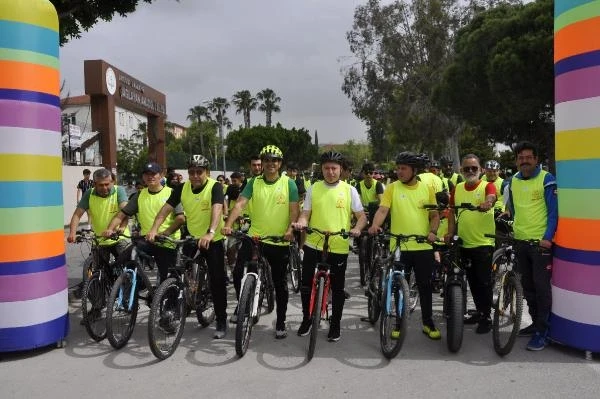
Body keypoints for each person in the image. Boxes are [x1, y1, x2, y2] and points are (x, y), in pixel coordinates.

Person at [147, 155, 228, 339]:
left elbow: (217, 209)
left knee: (217, 281)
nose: (195, 176)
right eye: (191, 172)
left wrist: (211, 231)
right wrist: (154, 229)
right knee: (176, 272)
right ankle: (174, 311)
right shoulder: (182, 188)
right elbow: (165, 209)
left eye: (199, 172)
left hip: (212, 240)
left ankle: (221, 320)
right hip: (192, 238)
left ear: (207, 172)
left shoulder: (215, 186)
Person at [223, 145, 299, 339]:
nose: (270, 164)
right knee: (240, 271)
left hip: (278, 240)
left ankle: (280, 321)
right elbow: (240, 203)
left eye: (274, 160)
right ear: (262, 163)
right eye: (267, 160)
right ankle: (245, 306)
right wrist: (229, 224)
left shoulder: (288, 183)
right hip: (255, 237)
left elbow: (293, 211)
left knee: (280, 282)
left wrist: (290, 230)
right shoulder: (253, 182)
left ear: (280, 163)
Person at [293, 151, 367, 342]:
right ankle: (307, 319)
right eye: (326, 168)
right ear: (322, 169)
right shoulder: (314, 188)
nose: (330, 172)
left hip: (339, 245)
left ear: (341, 169)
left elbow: (362, 217)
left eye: (334, 168)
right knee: (306, 284)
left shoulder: (349, 190)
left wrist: (357, 229)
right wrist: (301, 222)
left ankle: (335, 325)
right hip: (313, 242)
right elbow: (305, 213)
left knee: (338, 288)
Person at [368, 152, 441, 340]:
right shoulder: (392, 188)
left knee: (425, 286)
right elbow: (383, 209)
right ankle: (399, 323)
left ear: (414, 170)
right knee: (400, 287)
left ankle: (428, 322)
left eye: (403, 168)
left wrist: (433, 232)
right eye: (398, 168)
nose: (399, 171)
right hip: (400, 246)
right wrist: (375, 224)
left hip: (423, 246)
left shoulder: (426, 189)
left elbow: (434, 215)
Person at [506, 141, 557, 351]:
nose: (524, 161)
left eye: (528, 157)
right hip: (521, 242)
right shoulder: (512, 182)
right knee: (528, 288)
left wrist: (547, 237)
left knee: (542, 288)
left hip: (540, 245)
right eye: (520, 158)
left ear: (536, 160)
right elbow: (514, 210)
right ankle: (535, 323)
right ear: (516, 161)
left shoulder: (546, 179)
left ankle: (543, 332)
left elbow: (554, 212)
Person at [103, 162, 185, 283]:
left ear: (161, 175)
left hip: (167, 242)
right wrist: (110, 228)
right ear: (143, 177)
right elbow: (122, 214)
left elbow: (180, 218)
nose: (150, 177)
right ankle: (134, 292)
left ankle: (164, 298)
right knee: (128, 258)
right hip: (147, 240)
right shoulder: (139, 195)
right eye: (147, 174)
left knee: (166, 280)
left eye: (153, 174)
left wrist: (165, 233)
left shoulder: (172, 193)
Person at [445, 154, 496, 334]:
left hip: (483, 243)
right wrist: (450, 232)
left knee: (483, 282)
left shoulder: (486, 185)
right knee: (472, 281)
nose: (471, 171)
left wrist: (487, 203)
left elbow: (491, 197)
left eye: (474, 168)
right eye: (467, 168)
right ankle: (480, 312)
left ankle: (486, 317)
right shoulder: (457, 188)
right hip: (464, 243)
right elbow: (452, 213)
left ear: (481, 170)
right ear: (461, 171)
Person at [67, 168, 130, 299]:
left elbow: (126, 211)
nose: (105, 187)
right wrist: (72, 233)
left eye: (107, 184)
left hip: (119, 237)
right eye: (101, 185)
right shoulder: (89, 194)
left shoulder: (119, 191)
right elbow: (77, 214)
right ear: (94, 184)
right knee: (98, 274)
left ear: (112, 182)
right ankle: (97, 306)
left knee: (126, 268)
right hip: (100, 239)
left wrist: (121, 228)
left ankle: (127, 297)